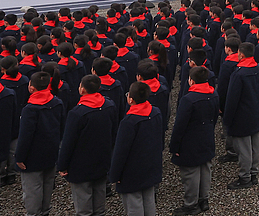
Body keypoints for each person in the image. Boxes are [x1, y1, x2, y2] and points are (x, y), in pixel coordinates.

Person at [57, 73, 117, 216]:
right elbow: (114, 131)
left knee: (84, 207)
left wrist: (62, 165)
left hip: (81, 164)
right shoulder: (109, 106)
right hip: (102, 159)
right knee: (99, 204)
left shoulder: (77, 113)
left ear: (82, 90)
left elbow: (68, 141)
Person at [109, 81, 164, 216]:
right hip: (150, 164)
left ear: (130, 99)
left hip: (131, 171)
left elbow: (121, 151)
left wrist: (114, 174)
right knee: (149, 200)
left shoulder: (129, 122)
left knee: (134, 204)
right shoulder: (156, 112)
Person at [169, 67, 219, 215]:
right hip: (207, 136)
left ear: (191, 80)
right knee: (205, 168)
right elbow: (215, 116)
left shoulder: (188, 99)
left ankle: (191, 204)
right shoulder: (213, 94)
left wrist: (174, 146)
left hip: (190, 140)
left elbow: (180, 125)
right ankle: (204, 199)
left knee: (191, 173)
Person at [15, 71, 66, 216]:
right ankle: (45, 211)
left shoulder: (30, 109)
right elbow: (62, 127)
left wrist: (19, 157)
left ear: (31, 87)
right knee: (48, 184)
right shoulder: (57, 102)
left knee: (32, 189)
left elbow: (25, 136)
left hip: (32, 156)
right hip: (51, 151)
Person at [222, 41, 259, 189]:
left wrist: (227, 119)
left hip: (242, 115)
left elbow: (232, 99)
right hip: (256, 112)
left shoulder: (239, 74)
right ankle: (254, 172)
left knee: (244, 149)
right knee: (255, 145)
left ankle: (245, 177)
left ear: (241, 54)